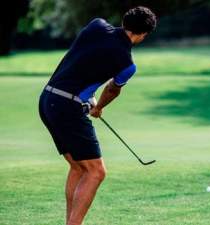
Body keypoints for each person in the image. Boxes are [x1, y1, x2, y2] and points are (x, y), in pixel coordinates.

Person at [38, 6, 156, 225]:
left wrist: (88, 95)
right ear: (142, 34)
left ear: (125, 21)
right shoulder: (127, 64)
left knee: (79, 167)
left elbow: (85, 57)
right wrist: (98, 107)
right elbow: (112, 89)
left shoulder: (97, 25)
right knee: (96, 172)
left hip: (47, 99)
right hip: (67, 106)